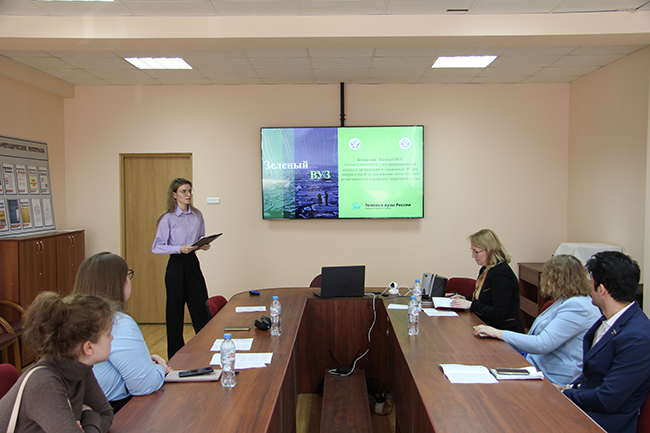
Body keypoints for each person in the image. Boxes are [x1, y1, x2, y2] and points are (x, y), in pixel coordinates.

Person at [473, 255, 601, 384]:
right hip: (538, 360)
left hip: (553, 374)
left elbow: (542, 344)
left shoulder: (577, 306)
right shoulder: (566, 300)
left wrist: (498, 333)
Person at [561, 251, 650, 433]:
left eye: (591, 282)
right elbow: (592, 375)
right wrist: (568, 388)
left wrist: (565, 394)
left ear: (601, 289)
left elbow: (607, 399)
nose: (589, 288)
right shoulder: (609, 321)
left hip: (605, 423)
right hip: (584, 408)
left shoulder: (638, 337)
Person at [0, 292, 114, 433]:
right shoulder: (44, 382)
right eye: (108, 334)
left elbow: (106, 414)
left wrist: (87, 420)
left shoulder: (81, 368)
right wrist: (89, 413)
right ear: (89, 347)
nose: (112, 338)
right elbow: (99, 416)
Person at [73, 252, 172, 413]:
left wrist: (144, 362)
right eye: (127, 276)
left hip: (79, 410)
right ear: (118, 283)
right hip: (110, 412)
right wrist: (160, 369)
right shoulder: (116, 321)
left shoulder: (72, 317)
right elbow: (144, 385)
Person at [152, 177, 212, 359]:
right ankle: (176, 357)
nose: (188, 195)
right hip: (176, 265)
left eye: (189, 191)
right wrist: (178, 248)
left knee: (201, 309)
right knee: (175, 313)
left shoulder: (197, 215)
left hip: (192, 263)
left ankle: (208, 350)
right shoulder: (167, 219)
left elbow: (199, 238)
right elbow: (157, 247)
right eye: (183, 191)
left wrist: (203, 245)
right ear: (174, 195)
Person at [450, 229, 524, 333]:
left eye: (476, 252)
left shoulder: (502, 274)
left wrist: (470, 305)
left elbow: (498, 313)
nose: (473, 256)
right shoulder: (485, 270)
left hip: (504, 331)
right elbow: (485, 301)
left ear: (489, 250)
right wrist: (464, 299)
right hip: (487, 326)